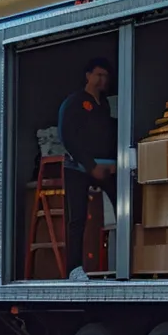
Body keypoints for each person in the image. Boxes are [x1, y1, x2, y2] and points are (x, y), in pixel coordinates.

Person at [57, 58, 120, 280]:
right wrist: (89, 165)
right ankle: (74, 269)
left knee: (123, 207)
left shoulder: (105, 105)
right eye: (98, 75)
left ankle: (125, 260)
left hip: (104, 166)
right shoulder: (74, 102)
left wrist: (113, 163)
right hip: (78, 167)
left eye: (106, 76)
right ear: (88, 76)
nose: (102, 80)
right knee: (78, 218)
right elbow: (68, 136)